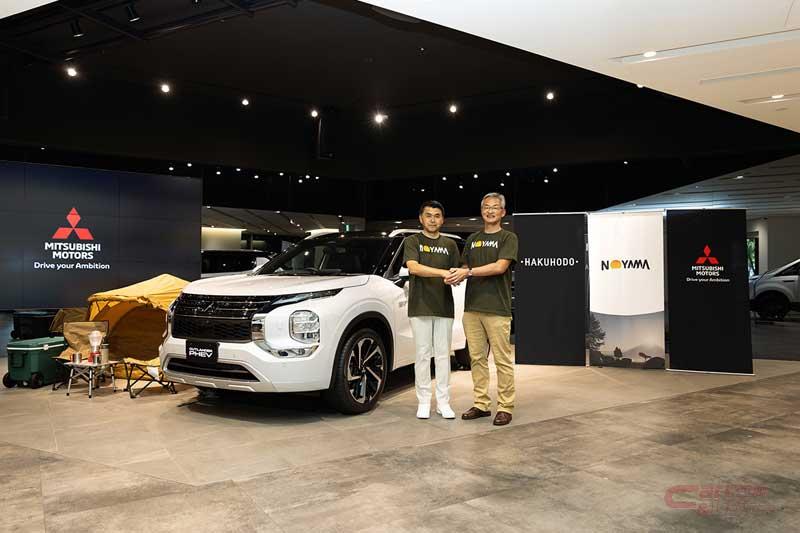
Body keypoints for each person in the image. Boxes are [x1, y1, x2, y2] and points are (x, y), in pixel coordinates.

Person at [446, 192, 518, 426]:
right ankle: (481, 404)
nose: (490, 211)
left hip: (497, 308)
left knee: (502, 360)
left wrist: (467, 272)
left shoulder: (508, 238)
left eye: (495, 207)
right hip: (472, 308)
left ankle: (505, 406)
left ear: (502, 212)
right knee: (476, 359)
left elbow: (499, 267)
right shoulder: (473, 239)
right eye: (486, 207)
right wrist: (455, 275)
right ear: (481, 210)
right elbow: (464, 266)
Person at [403, 200, 461, 419]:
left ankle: (443, 402)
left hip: (444, 306)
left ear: (442, 220)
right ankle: (424, 401)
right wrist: (442, 272)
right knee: (422, 355)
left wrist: (455, 276)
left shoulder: (450, 245)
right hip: (419, 306)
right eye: (428, 215)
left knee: (444, 356)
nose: (433, 219)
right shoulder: (412, 241)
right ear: (421, 218)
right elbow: (413, 267)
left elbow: (455, 271)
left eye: (437, 216)